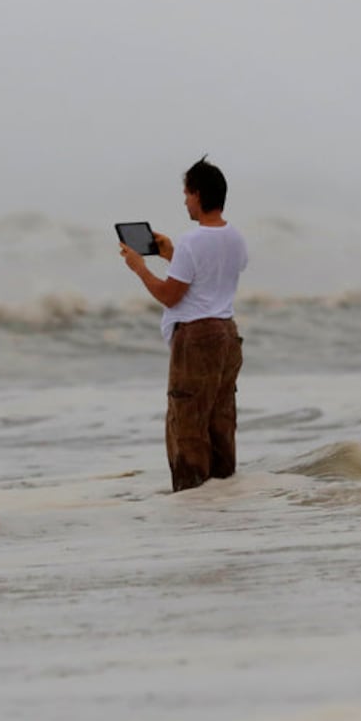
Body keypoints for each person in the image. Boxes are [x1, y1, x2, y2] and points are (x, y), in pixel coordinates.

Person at [119, 156, 248, 491]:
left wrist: (140, 268)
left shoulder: (194, 240)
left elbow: (170, 295)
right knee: (220, 422)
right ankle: (223, 496)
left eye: (188, 193)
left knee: (188, 425)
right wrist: (170, 254)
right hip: (227, 335)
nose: (185, 200)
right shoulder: (235, 237)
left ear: (200, 194)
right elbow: (210, 277)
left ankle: (192, 506)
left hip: (196, 337)